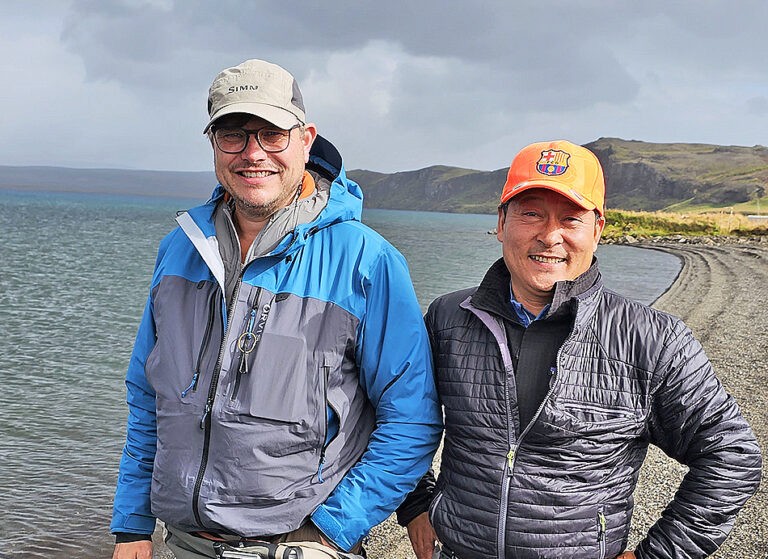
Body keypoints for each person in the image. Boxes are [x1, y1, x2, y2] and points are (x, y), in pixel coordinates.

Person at [110, 59, 442, 559]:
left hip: (301, 546)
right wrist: (132, 524)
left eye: (272, 135)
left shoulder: (367, 260)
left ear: (306, 140)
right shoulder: (179, 251)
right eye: (233, 134)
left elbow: (412, 418)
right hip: (182, 544)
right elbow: (146, 396)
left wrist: (335, 528)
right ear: (213, 144)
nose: (253, 153)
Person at [397, 140, 762, 559]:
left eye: (571, 218)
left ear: (597, 229)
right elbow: (401, 420)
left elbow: (732, 454)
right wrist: (415, 506)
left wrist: (660, 553)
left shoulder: (653, 339)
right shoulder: (448, 317)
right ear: (500, 222)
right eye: (530, 212)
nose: (550, 235)